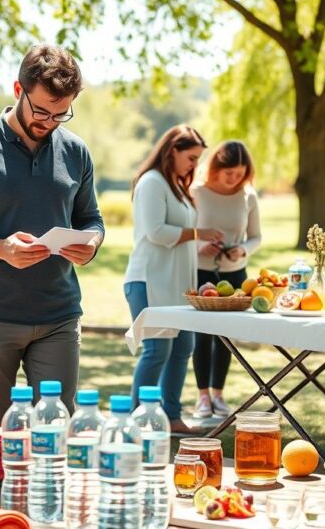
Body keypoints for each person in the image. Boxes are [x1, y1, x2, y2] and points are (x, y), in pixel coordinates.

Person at [0, 44, 104, 426]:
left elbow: (92, 219)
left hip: (59, 314)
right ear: (17, 90)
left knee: (55, 428)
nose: (49, 121)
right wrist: (0, 248)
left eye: (61, 113)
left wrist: (91, 244)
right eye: (41, 110)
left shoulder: (76, 151)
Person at [126, 125, 222, 434]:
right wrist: (199, 233)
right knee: (157, 350)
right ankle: (136, 419)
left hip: (176, 285)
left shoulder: (177, 186)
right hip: (149, 280)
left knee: (183, 348)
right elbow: (156, 232)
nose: (194, 165)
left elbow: (175, 236)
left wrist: (199, 244)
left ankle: (170, 415)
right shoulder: (152, 183)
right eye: (191, 158)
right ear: (172, 152)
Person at [190, 141, 261, 419]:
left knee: (225, 336)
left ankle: (218, 394)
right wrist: (199, 246)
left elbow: (256, 237)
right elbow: (187, 231)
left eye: (240, 174)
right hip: (201, 271)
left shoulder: (248, 196)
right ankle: (202, 397)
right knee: (202, 334)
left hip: (235, 273)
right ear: (216, 168)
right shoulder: (196, 192)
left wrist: (243, 249)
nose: (235, 180)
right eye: (229, 174)